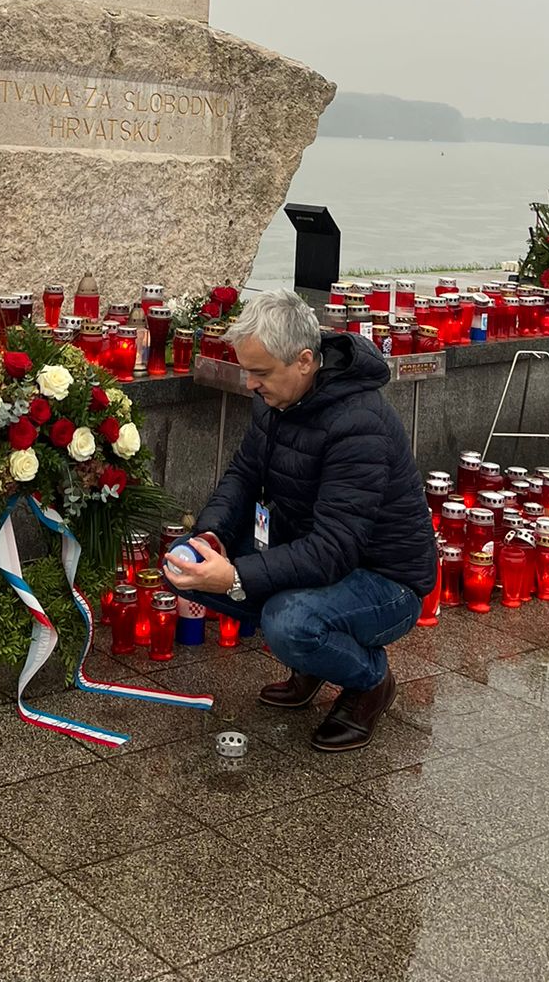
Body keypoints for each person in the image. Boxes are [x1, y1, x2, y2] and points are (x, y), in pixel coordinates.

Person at [162, 287, 437, 751]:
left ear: (305, 361)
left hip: (386, 582)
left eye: (260, 372)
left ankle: (371, 681)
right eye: (248, 370)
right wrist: (210, 535)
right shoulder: (278, 397)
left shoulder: (358, 424)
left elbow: (335, 548)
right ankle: (316, 662)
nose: (249, 384)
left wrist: (234, 575)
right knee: (182, 565)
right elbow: (243, 474)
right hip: (310, 553)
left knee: (287, 623)